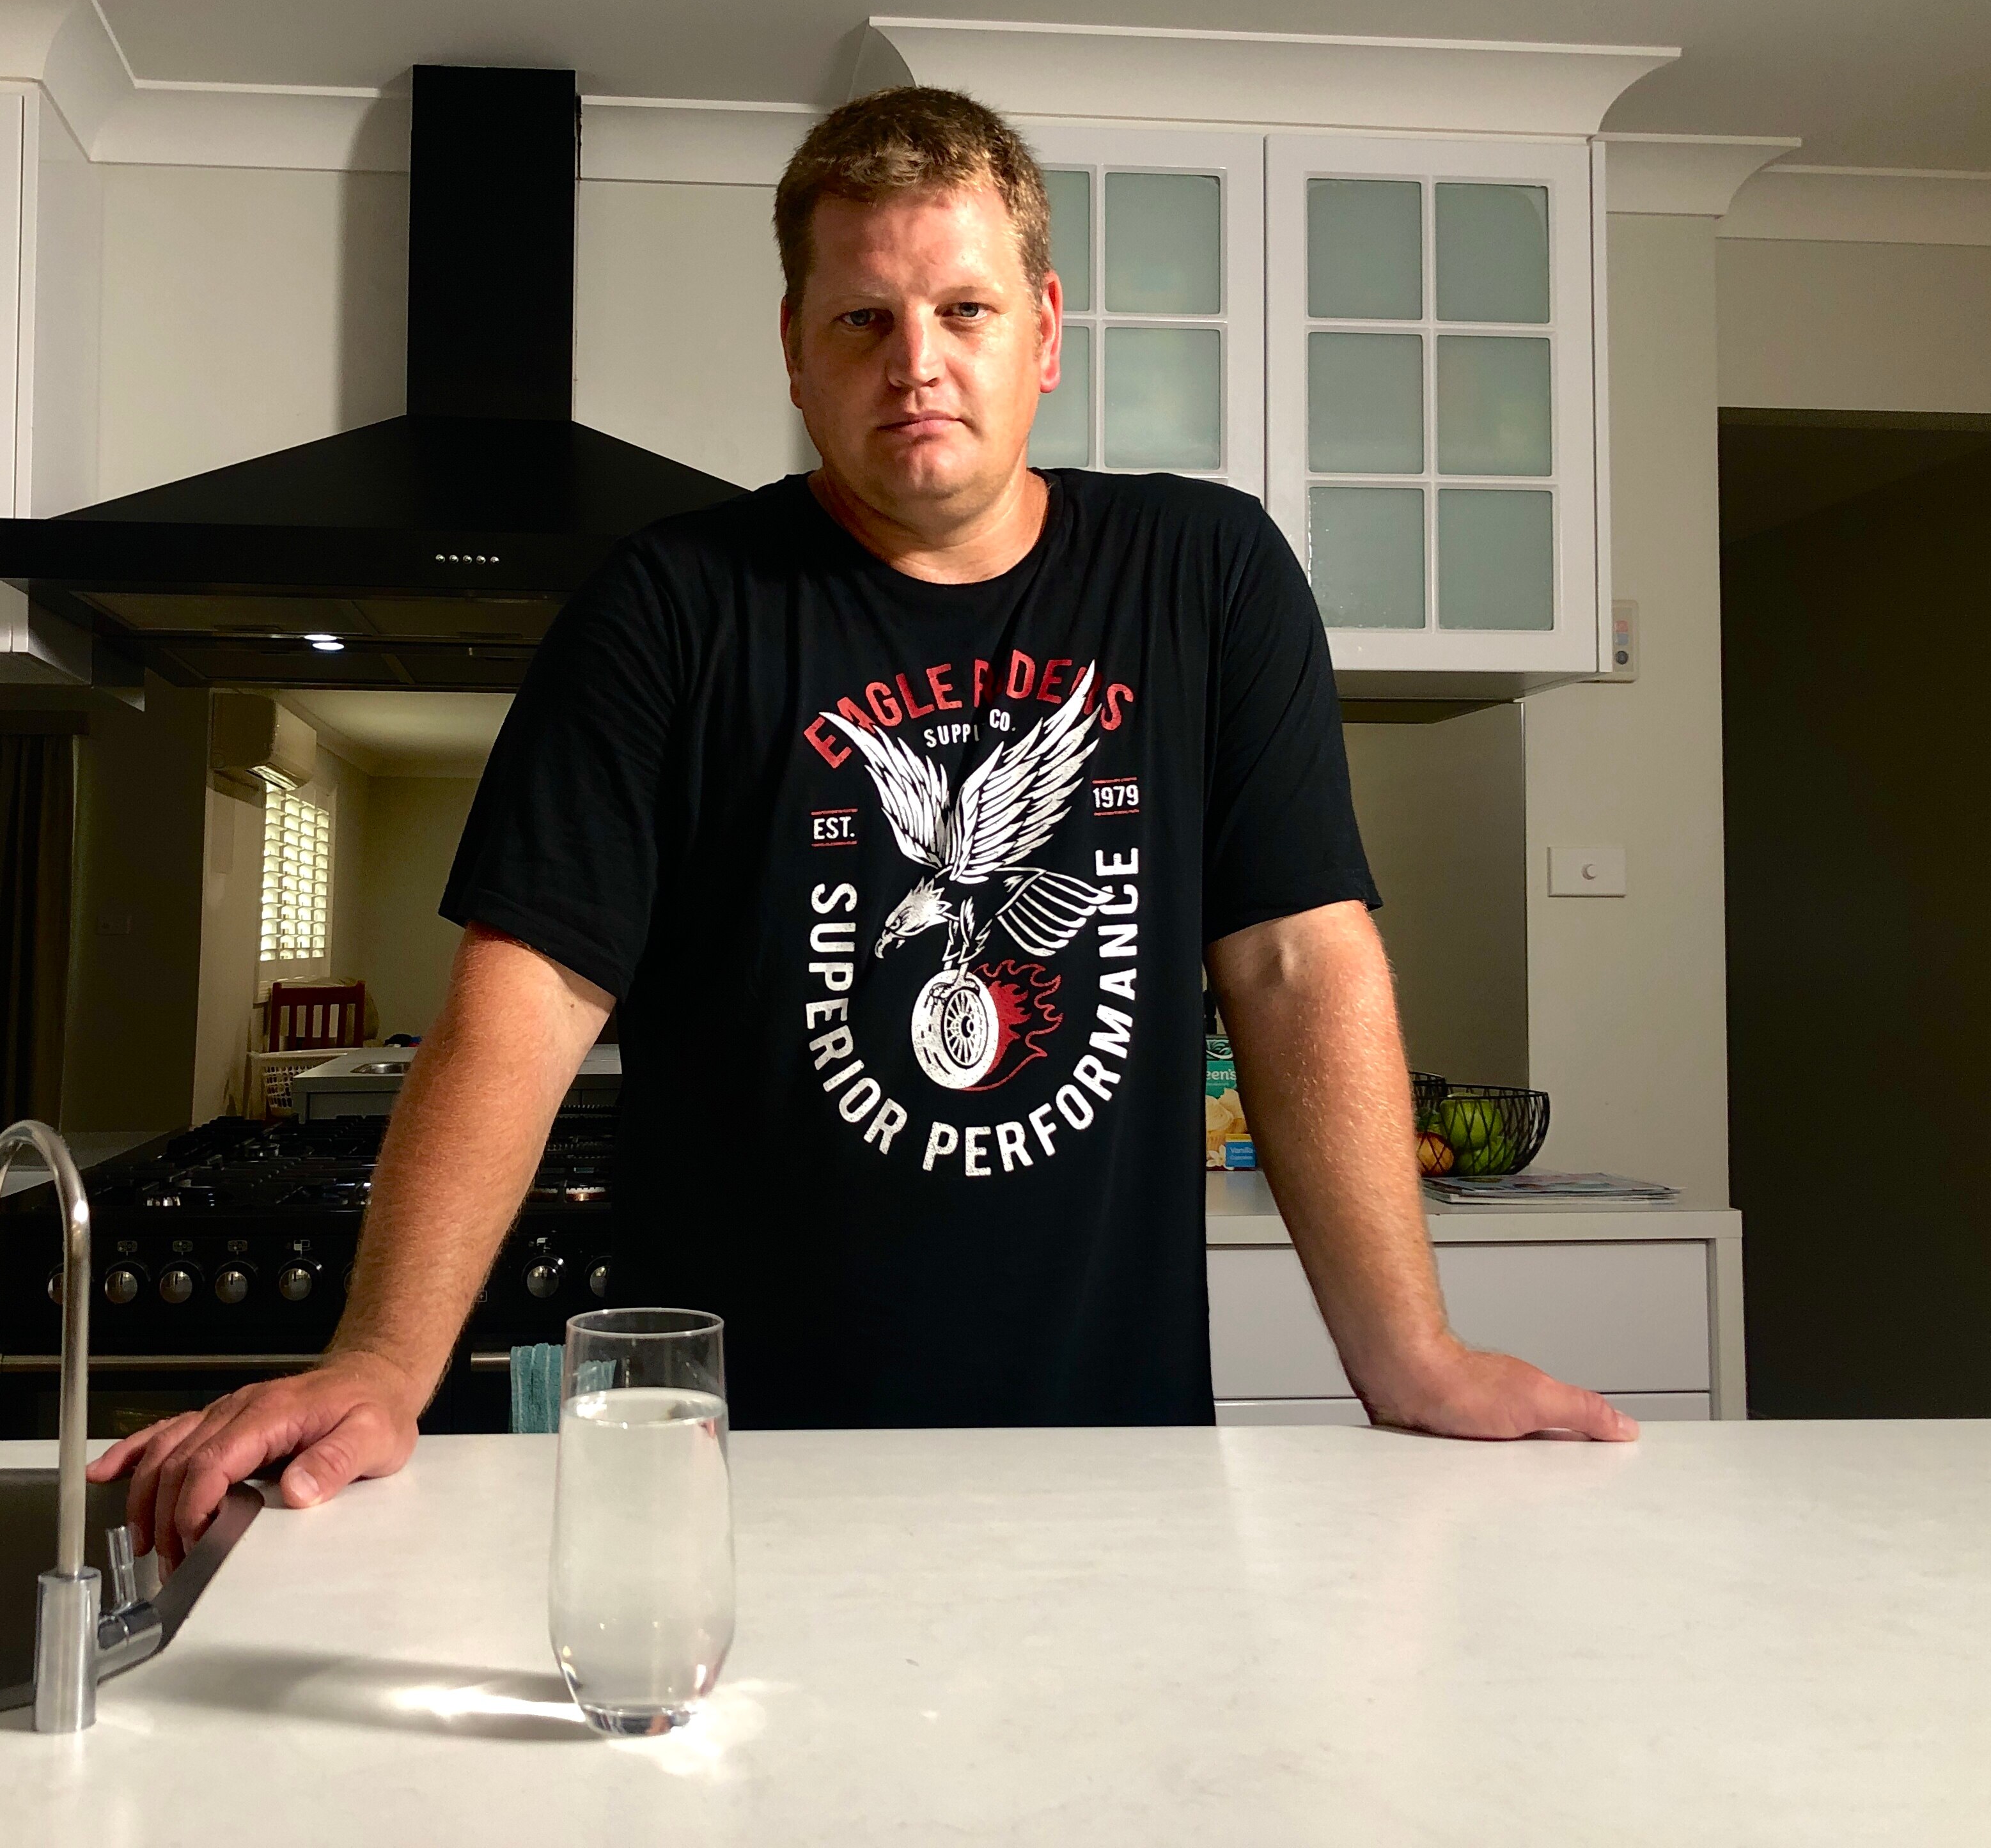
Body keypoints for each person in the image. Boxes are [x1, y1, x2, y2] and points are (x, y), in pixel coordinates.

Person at [95, 86, 1634, 1565]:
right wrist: (380, 1359)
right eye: (863, 319)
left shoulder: (1207, 576)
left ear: (1045, 329)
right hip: (746, 1476)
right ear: (794, 350)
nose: (918, 361)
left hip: (1115, 1471)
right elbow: (534, 989)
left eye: (963, 310)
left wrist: (1411, 1354)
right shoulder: (671, 605)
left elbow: (1300, 958)